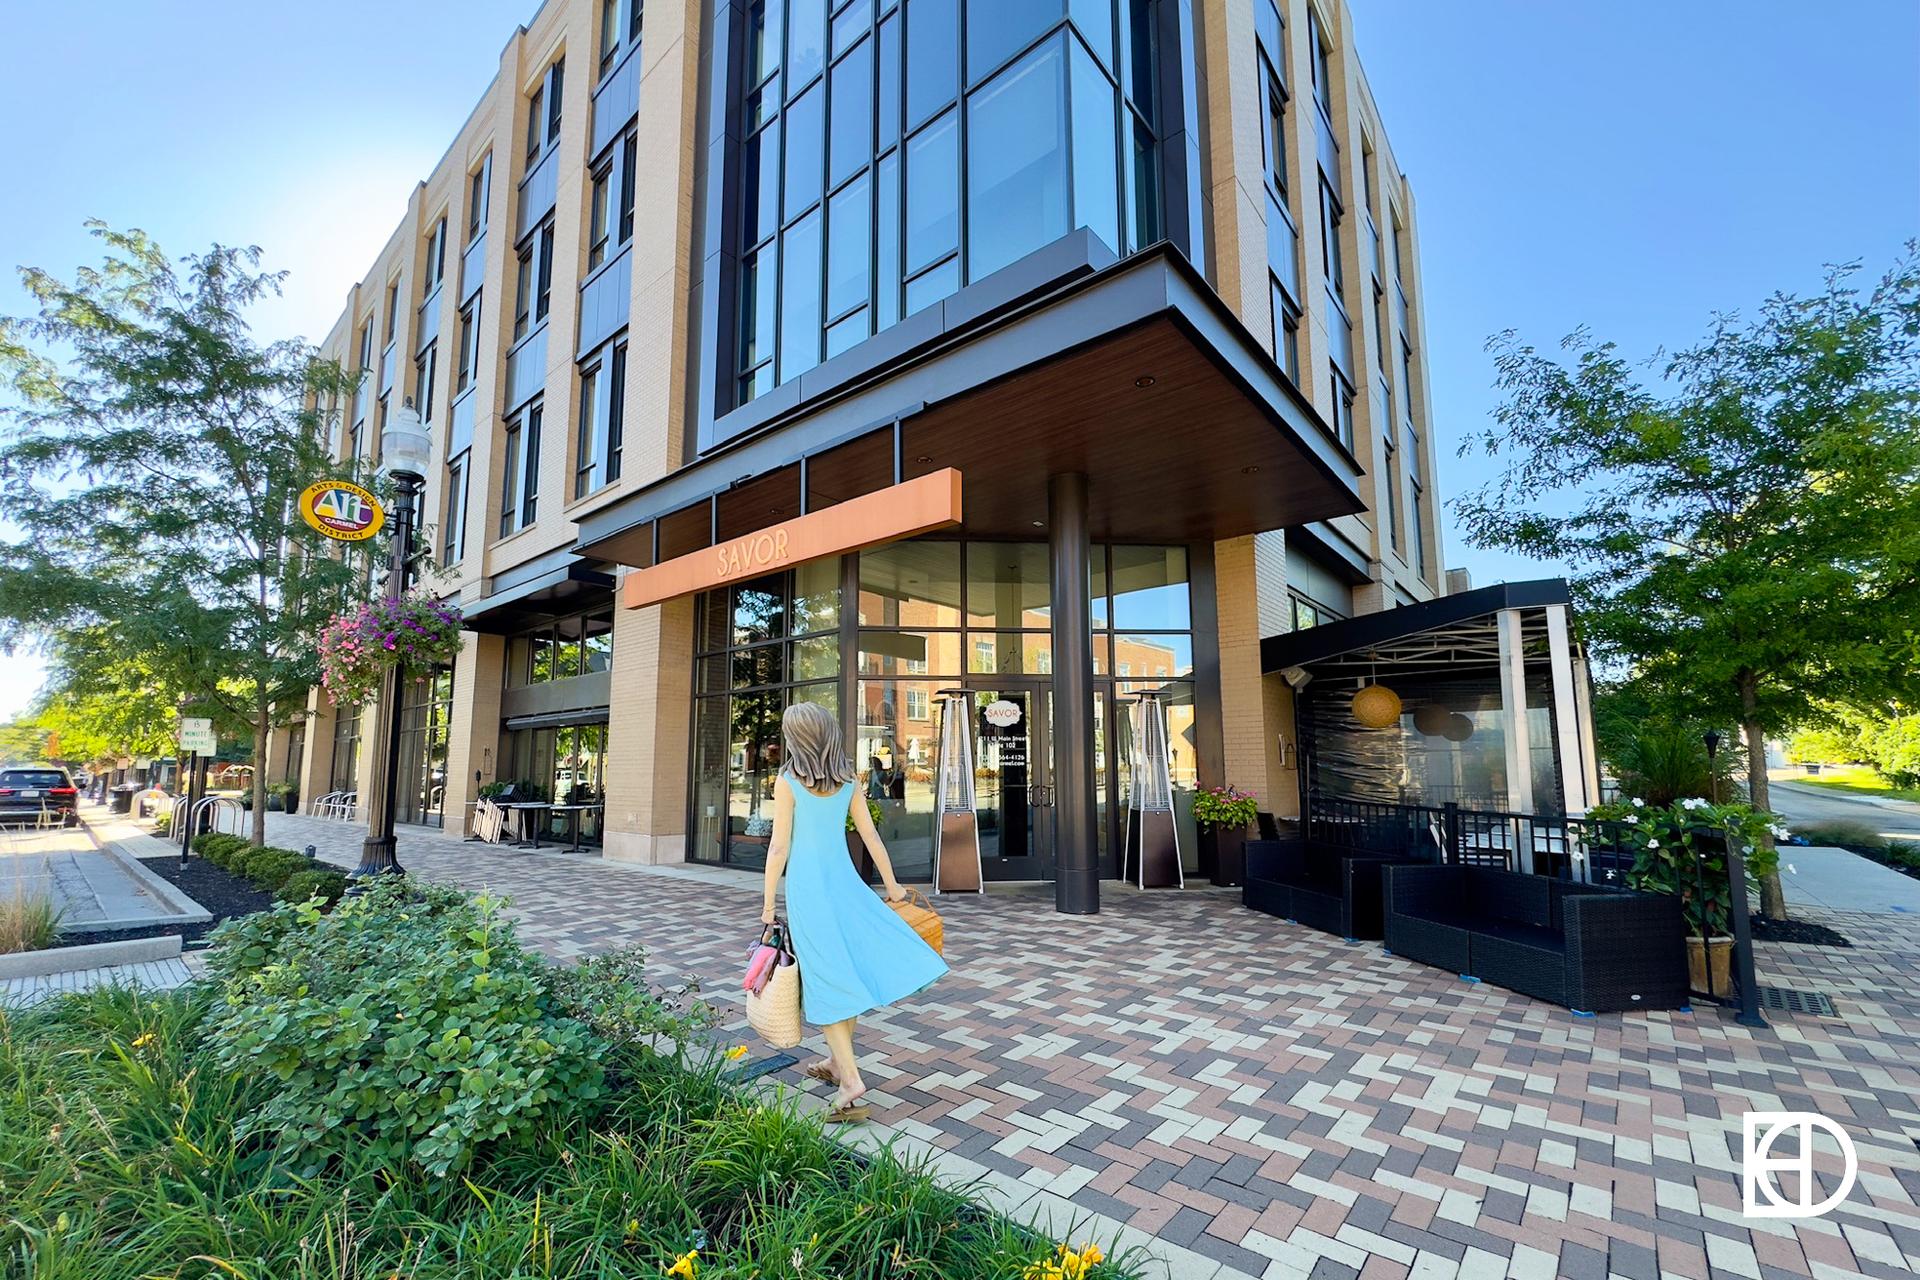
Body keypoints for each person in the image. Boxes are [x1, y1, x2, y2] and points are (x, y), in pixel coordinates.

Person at [761, 701, 947, 1123]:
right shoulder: (847, 781)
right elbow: (871, 838)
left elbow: (779, 847)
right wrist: (894, 886)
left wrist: (768, 903)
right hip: (849, 888)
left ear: (797, 738)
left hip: (810, 893)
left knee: (826, 982)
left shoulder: (787, 781)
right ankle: (833, 1062)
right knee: (846, 974)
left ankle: (851, 1081)